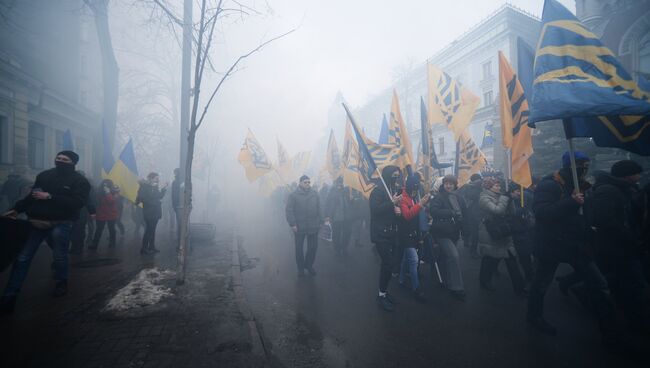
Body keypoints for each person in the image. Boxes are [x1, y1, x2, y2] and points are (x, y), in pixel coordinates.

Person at [526, 151, 617, 343]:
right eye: (581, 164)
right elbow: (542, 213)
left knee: (600, 285)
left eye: (587, 164)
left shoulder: (583, 186)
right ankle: (534, 317)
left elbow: (586, 214)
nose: (585, 168)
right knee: (541, 285)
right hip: (551, 245)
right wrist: (571, 202)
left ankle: (611, 331)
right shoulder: (550, 184)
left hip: (577, 245)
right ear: (571, 166)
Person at [0, 151, 90, 314]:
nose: (60, 161)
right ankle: (9, 296)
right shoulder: (44, 175)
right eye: (58, 158)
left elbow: (77, 203)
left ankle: (61, 281)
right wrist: (16, 209)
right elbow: (32, 197)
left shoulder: (80, 181)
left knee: (59, 255)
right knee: (22, 258)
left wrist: (50, 197)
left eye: (65, 159)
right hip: (37, 221)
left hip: (61, 222)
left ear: (73, 163)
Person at [591, 160, 649, 333]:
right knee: (631, 285)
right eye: (636, 173)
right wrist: (630, 237)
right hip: (616, 249)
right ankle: (629, 325)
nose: (639, 177)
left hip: (625, 248)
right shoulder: (607, 191)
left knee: (626, 284)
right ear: (627, 175)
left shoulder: (626, 189)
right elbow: (605, 221)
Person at [477, 177, 526, 296]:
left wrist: (510, 200)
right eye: (496, 185)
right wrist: (505, 198)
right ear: (489, 186)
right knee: (490, 260)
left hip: (503, 233)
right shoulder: (484, 198)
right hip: (492, 234)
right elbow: (497, 210)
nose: (499, 187)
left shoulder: (500, 196)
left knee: (511, 261)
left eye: (499, 185)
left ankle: (519, 289)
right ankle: (484, 281)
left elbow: (511, 213)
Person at [429, 175, 467, 301]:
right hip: (441, 233)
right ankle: (456, 287)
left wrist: (465, 229)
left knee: (445, 257)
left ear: (455, 184)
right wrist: (450, 213)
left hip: (454, 233)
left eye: (451, 183)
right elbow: (433, 211)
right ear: (443, 184)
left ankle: (441, 278)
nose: (449, 185)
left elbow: (464, 213)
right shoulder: (438, 197)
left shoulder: (459, 197)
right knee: (454, 256)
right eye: (446, 183)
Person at [370, 166, 402, 312]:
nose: (396, 177)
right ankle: (381, 295)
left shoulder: (393, 191)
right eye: (394, 175)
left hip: (392, 233)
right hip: (380, 234)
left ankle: (383, 291)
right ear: (387, 175)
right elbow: (375, 210)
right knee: (387, 264)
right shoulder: (378, 191)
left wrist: (398, 210)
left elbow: (392, 212)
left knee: (390, 265)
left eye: (398, 175)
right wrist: (392, 203)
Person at [398, 173, 430, 302]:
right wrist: (420, 204)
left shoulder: (414, 196)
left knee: (407, 258)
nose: (415, 191)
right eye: (414, 188)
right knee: (414, 260)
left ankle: (401, 280)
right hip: (405, 234)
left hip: (414, 233)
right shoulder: (403, 198)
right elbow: (407, 215)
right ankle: (416, 288)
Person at [285, 175, 321, 277]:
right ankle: (300, 268)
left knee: (313, 248)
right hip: (299, 226)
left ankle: (309, 265)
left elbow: (319, 207)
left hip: (313, 225)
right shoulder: (293, 195)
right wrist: (292, 224)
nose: (308, 184)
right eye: (305, 182)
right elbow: (289, 210)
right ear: (300, 183)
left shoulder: (315, 194)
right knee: (299, 249)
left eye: (309, 182)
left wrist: (321, 221)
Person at [509, 185, 535, 286]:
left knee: (525, 256)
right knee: (521, 257)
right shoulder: (508, 202)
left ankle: (529, 276)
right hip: (515, 234)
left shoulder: (523, 201)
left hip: (524, 232)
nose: (519, 193)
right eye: (516, 191)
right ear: (511, 192)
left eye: (520, 191)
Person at [136, 172, 167, 255]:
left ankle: (152, 247)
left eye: (158, 178)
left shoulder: (155, 187)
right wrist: (155, 202)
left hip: (155, 212)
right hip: (149, 212)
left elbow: (159, 196)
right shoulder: (144, 187)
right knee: (148, 230)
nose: (158, 180)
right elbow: (142, 199)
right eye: (156, 178)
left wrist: (164, 189)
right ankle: (144, 248)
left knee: (152, 230)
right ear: (151, 178)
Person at [69, 170, 96, 254]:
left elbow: (90, 199)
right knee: (73, 230)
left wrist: (92, 211)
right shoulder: (72, 184)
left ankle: (79, 248)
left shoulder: (88, 186)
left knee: (80, 230)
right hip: (73, 211)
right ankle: (74, 247)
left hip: (83, 211)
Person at [89, 179, 120, 250]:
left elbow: (112, 201)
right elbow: (96, 201)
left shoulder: (115, 191)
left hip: (111, 214)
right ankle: (94, 244)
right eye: (104, 185)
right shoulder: (99, 191)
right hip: (101, 214)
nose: (105, 186)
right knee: (99, 230)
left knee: (111, 229)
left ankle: (112, 243)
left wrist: (108, 193)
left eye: (107, 185)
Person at [458, 173, 483, 257]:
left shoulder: (466, 186)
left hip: (469, 212)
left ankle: (467, 241)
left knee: (471, 230)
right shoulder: (477, 188)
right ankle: (473, 251)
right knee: (475, 233)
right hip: (473, 212)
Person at [325, 176, 351, 256]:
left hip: (346, 216)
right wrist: (327, 215)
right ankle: (337, 248)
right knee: (337, 234)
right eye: (338, 182)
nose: (340, 184)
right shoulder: (332, 192)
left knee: (347, 233)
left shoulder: (346, 191)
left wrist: (351, 200)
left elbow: (350, 203)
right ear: (335, 183)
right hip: (336, 217)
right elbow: (327, 204)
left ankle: (344, 247)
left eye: (341, 182)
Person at [171, 168, 182, 240]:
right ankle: (180, 236)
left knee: (179, 222)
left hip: (177, 205)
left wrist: (174, 205)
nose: (174, 174)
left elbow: (174, 195)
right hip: (179, 204)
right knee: (181, 221)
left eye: (175, 173)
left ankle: (179, 237)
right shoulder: (182, 181)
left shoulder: (175, 182)